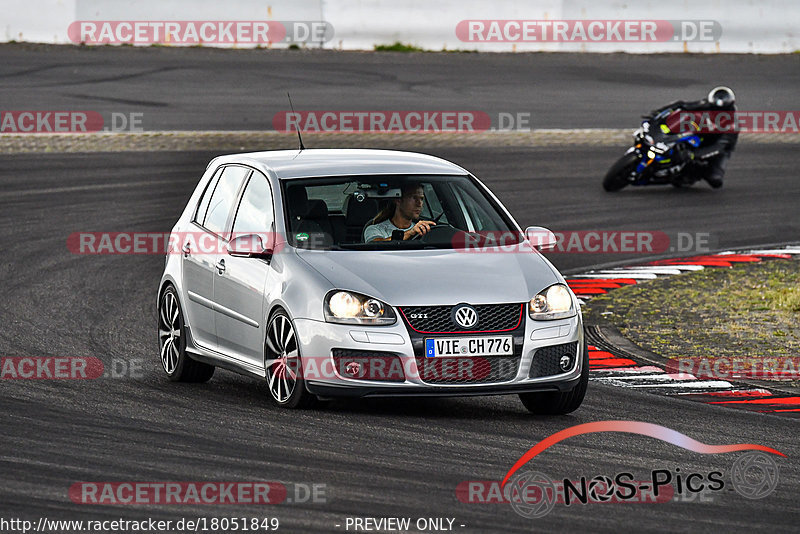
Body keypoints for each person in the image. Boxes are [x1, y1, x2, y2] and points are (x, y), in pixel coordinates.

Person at [650, 86, 738, 188]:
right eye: (713, 108)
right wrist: (658, 113)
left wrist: (692, 155)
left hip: (717, 146)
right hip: (701, 133)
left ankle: (693, 173)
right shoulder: (707, 104)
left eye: (719, 110)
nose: (715, 111)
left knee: (715, 180)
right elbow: (682, 105)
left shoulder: (732, 126)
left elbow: (718, 147)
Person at [364, 183, 436, 242]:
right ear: (398, 200)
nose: (419, 203)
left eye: (421, 198)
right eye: (414, 198)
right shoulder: (375, 229)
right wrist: (410, 233)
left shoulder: (423, 230)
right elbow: (375, 245)